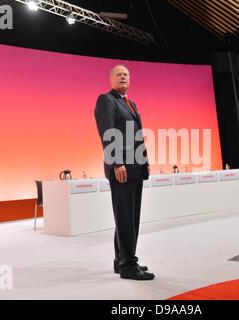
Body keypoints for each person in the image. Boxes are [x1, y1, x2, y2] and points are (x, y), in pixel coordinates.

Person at [94, 65, 155, 280]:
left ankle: (121, 261)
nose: (123, 77)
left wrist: (144, 162)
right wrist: (117, 163)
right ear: (110, 79)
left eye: (127, 74)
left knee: (129, 217)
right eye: (119, 74)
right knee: (126, 218)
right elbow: (107, 133)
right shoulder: (106, 100)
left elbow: (137, 135)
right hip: (122, 170)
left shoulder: (131, 103)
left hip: (136, 168)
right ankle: (129, 266)